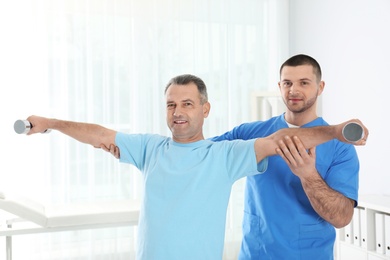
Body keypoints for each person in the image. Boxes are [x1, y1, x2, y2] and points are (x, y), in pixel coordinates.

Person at [26, 74, 368, 260]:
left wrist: (338, 131)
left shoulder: (224, 155)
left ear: (205, 110)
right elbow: (99, 134)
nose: (178, 111)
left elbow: (281, 139)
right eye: (171, 104)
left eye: (187, 103)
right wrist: (51, 123)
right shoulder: (149, 148)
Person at [211, 54, 364, 259]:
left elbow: (342, 217)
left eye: (304, 83)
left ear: (320, 87)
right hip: (255, 253)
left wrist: (308, 175)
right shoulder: (251, 133)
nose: (294, 90)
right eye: (287, 83)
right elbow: (204, 154)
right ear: (279, 86)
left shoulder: (340, 147)